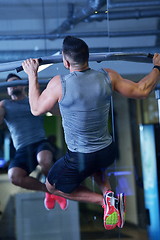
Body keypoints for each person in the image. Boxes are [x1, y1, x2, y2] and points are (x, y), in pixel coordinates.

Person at [22, 36, 160, 230]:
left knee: (51, 187)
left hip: (80, 156)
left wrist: (32, 74)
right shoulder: (108, 76)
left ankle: (104, 201)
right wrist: (157, 68)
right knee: (95, 165)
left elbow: (36, 109)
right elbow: (142, 90)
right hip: (106, 151)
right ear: (88, 57)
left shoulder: (59, 83)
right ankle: (109, 193)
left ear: (65, 61)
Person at [0, 73, 68, 211]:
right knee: (14, 176)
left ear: (24, 85)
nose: (13, 87)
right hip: (22, 149)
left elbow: (57, 110)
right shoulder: (5, 105)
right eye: (10, 85)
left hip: (40, 142)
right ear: (7, 90)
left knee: (44, 159)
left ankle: (54, 188)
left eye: (15, 83)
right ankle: (49, 192)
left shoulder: (34, 99)